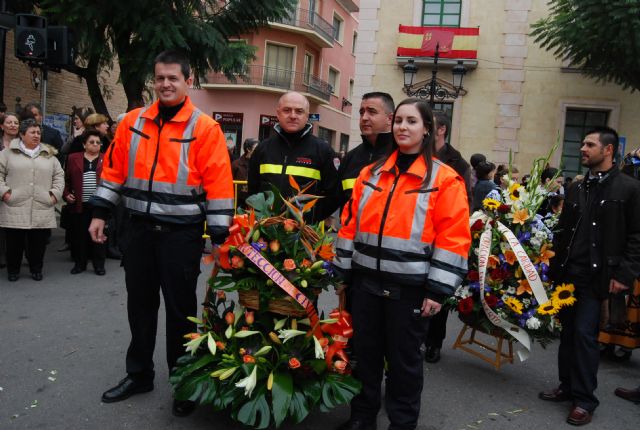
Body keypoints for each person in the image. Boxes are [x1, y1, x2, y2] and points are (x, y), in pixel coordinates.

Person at [88, 50, 234, 417]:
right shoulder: (133, 122)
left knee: (181, 313)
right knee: (139, 307)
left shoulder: (205, 129)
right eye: (160, 78)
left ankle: (183, 383)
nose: (165, 84)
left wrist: (219, 240)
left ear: (188, 80)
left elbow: (219, 186)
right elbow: (114, 172)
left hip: (180, 236)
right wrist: (100, 213)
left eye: (173, 78)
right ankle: (139, 375)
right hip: (137, 232)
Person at [334, 98, 470, 430]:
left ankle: (402, 423)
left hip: (409, 290)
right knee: (364, 357)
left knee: (404, 365)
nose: (403, 128)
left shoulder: (445, 179)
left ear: (427, 130)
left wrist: (438, 290)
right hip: (365, 284)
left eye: (412, 122)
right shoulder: (372, 173)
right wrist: (343, 269)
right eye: (398, 121)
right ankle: (362, 418)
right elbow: (349, 224)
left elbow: (453, 238)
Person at [540, 126, 640, 426]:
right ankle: (567, 386)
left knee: (585, 335)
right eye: (582, 143)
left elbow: (637, 236)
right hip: (568, 272)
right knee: (567, 333)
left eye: (589, 144)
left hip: (599, 276)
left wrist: (623, 274)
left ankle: (585, 399)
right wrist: (550, 264)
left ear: (607, 150)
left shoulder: (629, 188)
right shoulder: (576, 187)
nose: (583, 148)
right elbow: (563, 232)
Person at [423, 111, 471, 364]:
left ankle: (434, 343)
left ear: (440, 129)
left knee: (437, 293)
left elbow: (465, 205)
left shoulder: (458, 164)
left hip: (441, 239)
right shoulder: (417, 156)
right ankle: (419, 337)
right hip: (417, 238)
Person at [248, 91, 339, 223]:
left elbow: (334, 194)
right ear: (278, 113)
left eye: (299, 111)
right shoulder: (263, 149)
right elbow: (253, 190)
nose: (293, 115)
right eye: (287, 110)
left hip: (304, 233)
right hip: (266, 229)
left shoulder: (322, 150)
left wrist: (310, 218)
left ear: (307, 116)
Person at [0, 119, 64, 281]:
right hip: (15, 204)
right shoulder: (7, 154)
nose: (36, 135)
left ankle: (36, 269)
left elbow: (59, 176)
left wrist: (54, 195)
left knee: (38, 243)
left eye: (38, 133)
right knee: (14, 243)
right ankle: (13, 270)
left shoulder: (49, 155)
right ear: (22, 134)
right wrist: (6, 193)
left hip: (42, 204)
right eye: (32, 132)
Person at [337, 92, 394, 209]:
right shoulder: (350, 158)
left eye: (372, 112)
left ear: (389, 119)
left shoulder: (401, 155)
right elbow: (336, 200)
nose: (364, 118)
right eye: (362, 112)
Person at [63, 130, 106, 275]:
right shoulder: (73, 158)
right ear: (84, 144)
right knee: (79, 236)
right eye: (91, 142)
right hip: (79, 204)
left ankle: (99, 265)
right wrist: (67, 194)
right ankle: (79, 264)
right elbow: (66, 181)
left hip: (99, 205)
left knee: (99, 235)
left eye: (98, 142)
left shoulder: (106, 159)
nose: (95, 145)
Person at [231, 137, 258, 209]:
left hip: (253, 202)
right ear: (248, 149)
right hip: (237, 202)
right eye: (256, 148)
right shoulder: (236, 164)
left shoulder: (258, 164)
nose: (259, 151)